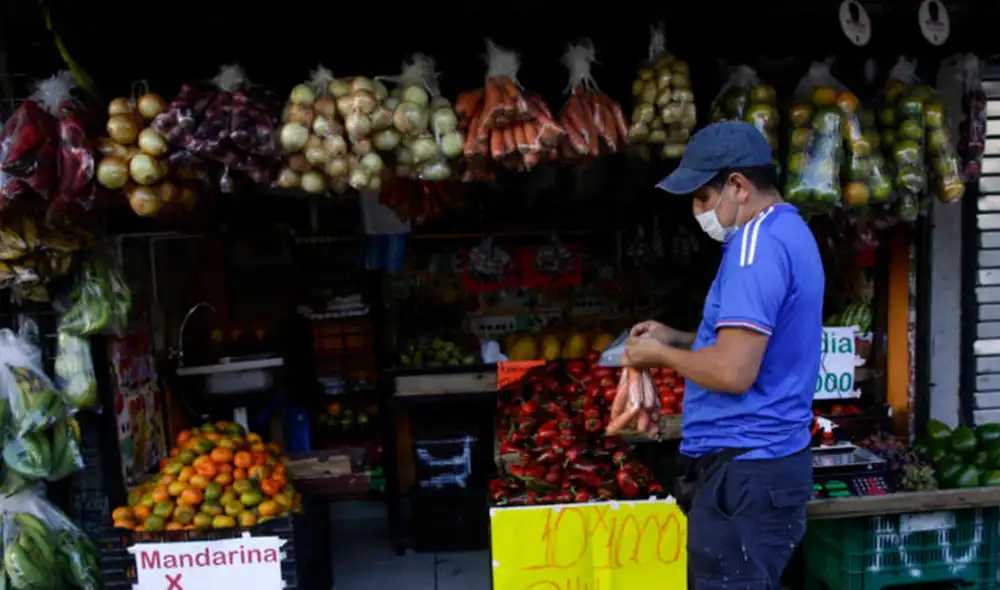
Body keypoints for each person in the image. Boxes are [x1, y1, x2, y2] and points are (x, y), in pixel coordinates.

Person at [622, 121, 824, 589]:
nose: (696, 211)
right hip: (765, 467)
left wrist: (658, 356)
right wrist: (676, 338)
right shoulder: (792, 231)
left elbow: (733, 372)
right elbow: (753, 348)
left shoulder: (755, 246)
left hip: (746, 472)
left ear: (737, 186)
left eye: (701, 198)